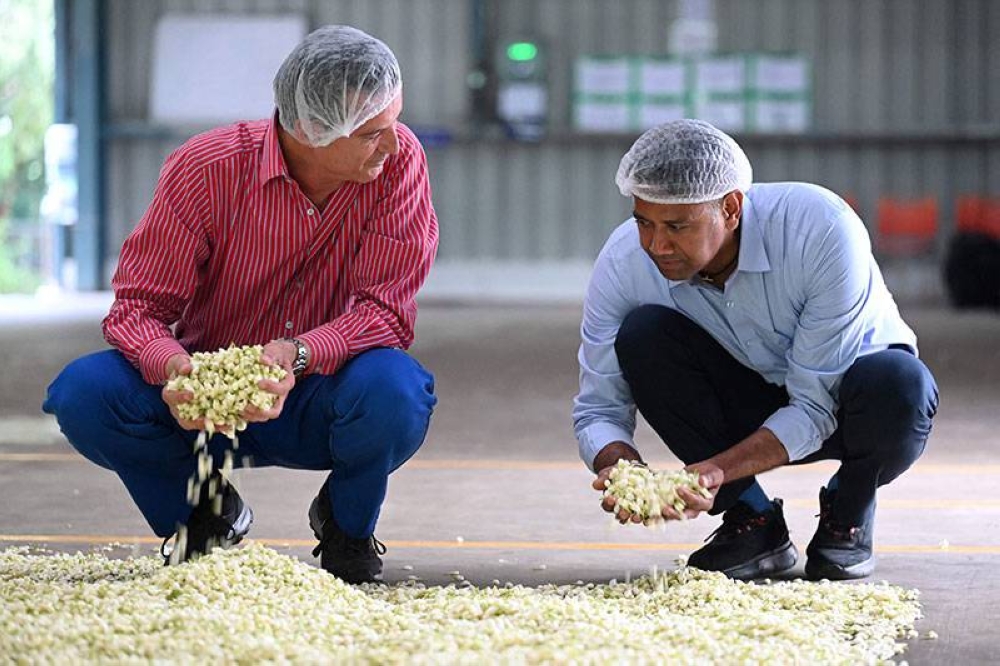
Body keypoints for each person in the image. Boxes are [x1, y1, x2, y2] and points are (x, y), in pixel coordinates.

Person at [43, 25, 438, 584]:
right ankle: (203, 515)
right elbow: (136, 309)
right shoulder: (206, 169)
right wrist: (175, 368)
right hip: (203, 400)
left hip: (320, 395)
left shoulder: (397, 166)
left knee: (395, 391)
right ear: (312, 130)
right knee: (83, 393)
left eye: (394, 122)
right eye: (373, 132)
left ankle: (347, 526)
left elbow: (386, 311)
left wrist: (299, 353)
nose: (394, 142)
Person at [573, 119, 938, 581]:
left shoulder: (821, 230)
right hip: (748, 398)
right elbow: (597, 408)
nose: (656, 245)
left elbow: (813, 407)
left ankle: (849, 507)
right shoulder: (625, 261)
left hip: (845, 401)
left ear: (730, 208)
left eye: (677, 226)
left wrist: (710, 472)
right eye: (643, 222)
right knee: (643, 335)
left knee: (901, 385)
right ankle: (752, 521)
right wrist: (621, 468)